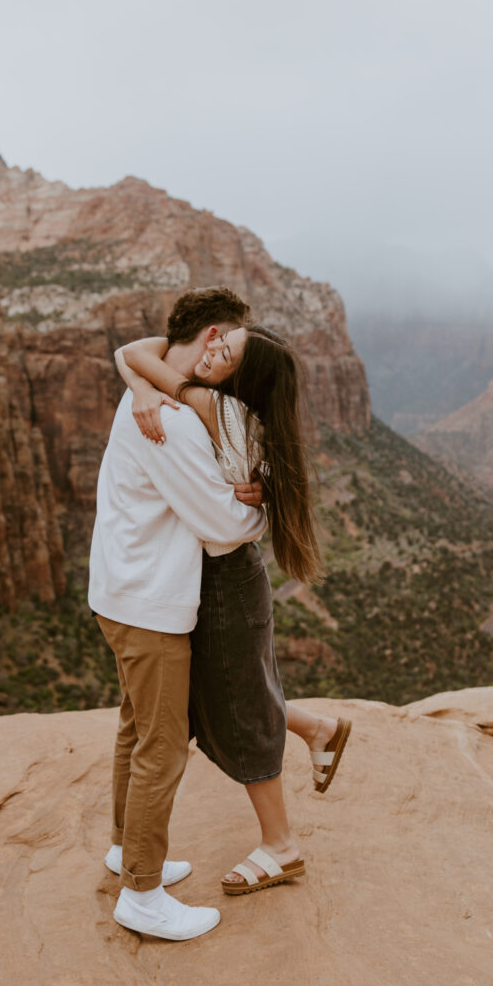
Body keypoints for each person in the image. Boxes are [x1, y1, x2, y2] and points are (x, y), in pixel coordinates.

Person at [115, 295, 351, 895]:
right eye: (219, 338)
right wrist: (140, 380)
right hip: (209, 580)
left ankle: (282, 846)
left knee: (240, 709)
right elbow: (136, 352)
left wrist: (259, 513)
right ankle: (317, 730)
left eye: (229, 350)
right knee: (216, 700)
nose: (215, 345)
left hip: (226, 578)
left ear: (242, 381)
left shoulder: (218, 411)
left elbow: (226, 527)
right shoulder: (205, 398)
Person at [88, 288, 267, 939]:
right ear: (215, 335)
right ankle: (140, 894)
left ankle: (123, 850)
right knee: (161, 749)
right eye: (235, 349)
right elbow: (222, 529)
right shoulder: (173, 416)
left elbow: (135, 355)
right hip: (150, 603)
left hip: (118, 588)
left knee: (135, 731)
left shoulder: (148, 387)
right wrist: (262, 507)